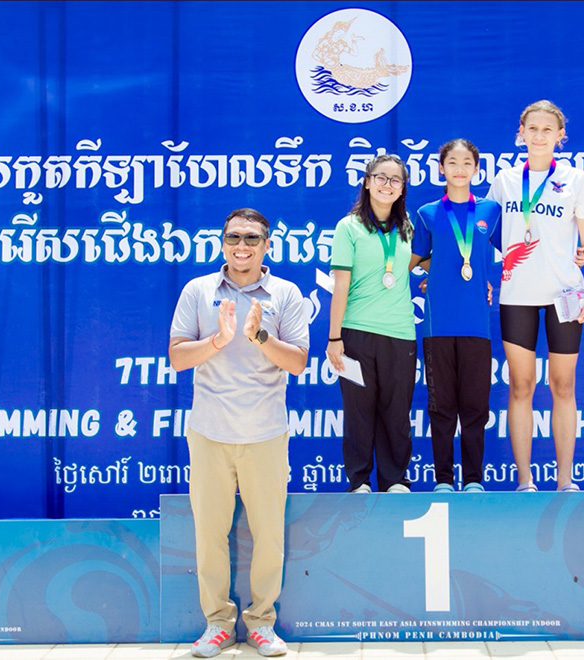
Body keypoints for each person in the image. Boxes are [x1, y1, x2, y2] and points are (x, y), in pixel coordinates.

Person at [168, 208, 309, 658]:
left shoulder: (285, 294)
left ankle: (262, 622)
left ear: (266, 245)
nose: (241, 246)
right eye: (233, 238)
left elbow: (299, 362)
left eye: (251, 238)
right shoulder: (198, 290)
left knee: (268, 534)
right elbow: (176, 357)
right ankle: (217, 624)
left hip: (266, 432)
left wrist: (260, 337)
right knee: (210, 534)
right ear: (222, 242)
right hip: (209, 431)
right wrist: (217, 341)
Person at [485, 100, 584, 493]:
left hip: (565, 295)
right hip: (516, 295)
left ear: (560, 137)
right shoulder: (503, 181)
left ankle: (565, 480)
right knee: (521, 386)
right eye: (531, 128)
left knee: (563, 386)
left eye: (547, 130)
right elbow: (484, 234)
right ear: (520, 132)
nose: (539, 136)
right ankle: (524, 480)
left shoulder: (575, 179)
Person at [410, 139, 502, 493]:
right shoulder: (428, 213)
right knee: (442, 407)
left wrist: (485, 278)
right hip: (438, 326)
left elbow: (514, 250)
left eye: (467, 162)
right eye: (452, 162)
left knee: (476, 407)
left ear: (476, 169)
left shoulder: (490, 211)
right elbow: (415, 260)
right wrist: (435, 273)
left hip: (477, 324)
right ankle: (444, 479)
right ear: (441, 168)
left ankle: (475, 479)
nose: (459, 168)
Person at [326, 154, 416, 494]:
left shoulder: (407, 228)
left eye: (395, 180)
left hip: (400, 333)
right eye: (381, 177)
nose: (387, 185)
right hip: (356, 333)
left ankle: (394, 479)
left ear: (402, 188)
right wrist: (335, 338)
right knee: (359, 411)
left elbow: (428, 261)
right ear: (367, 181)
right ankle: (359, 479)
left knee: (397, 412)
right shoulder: (348, 227)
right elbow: (341, 286)